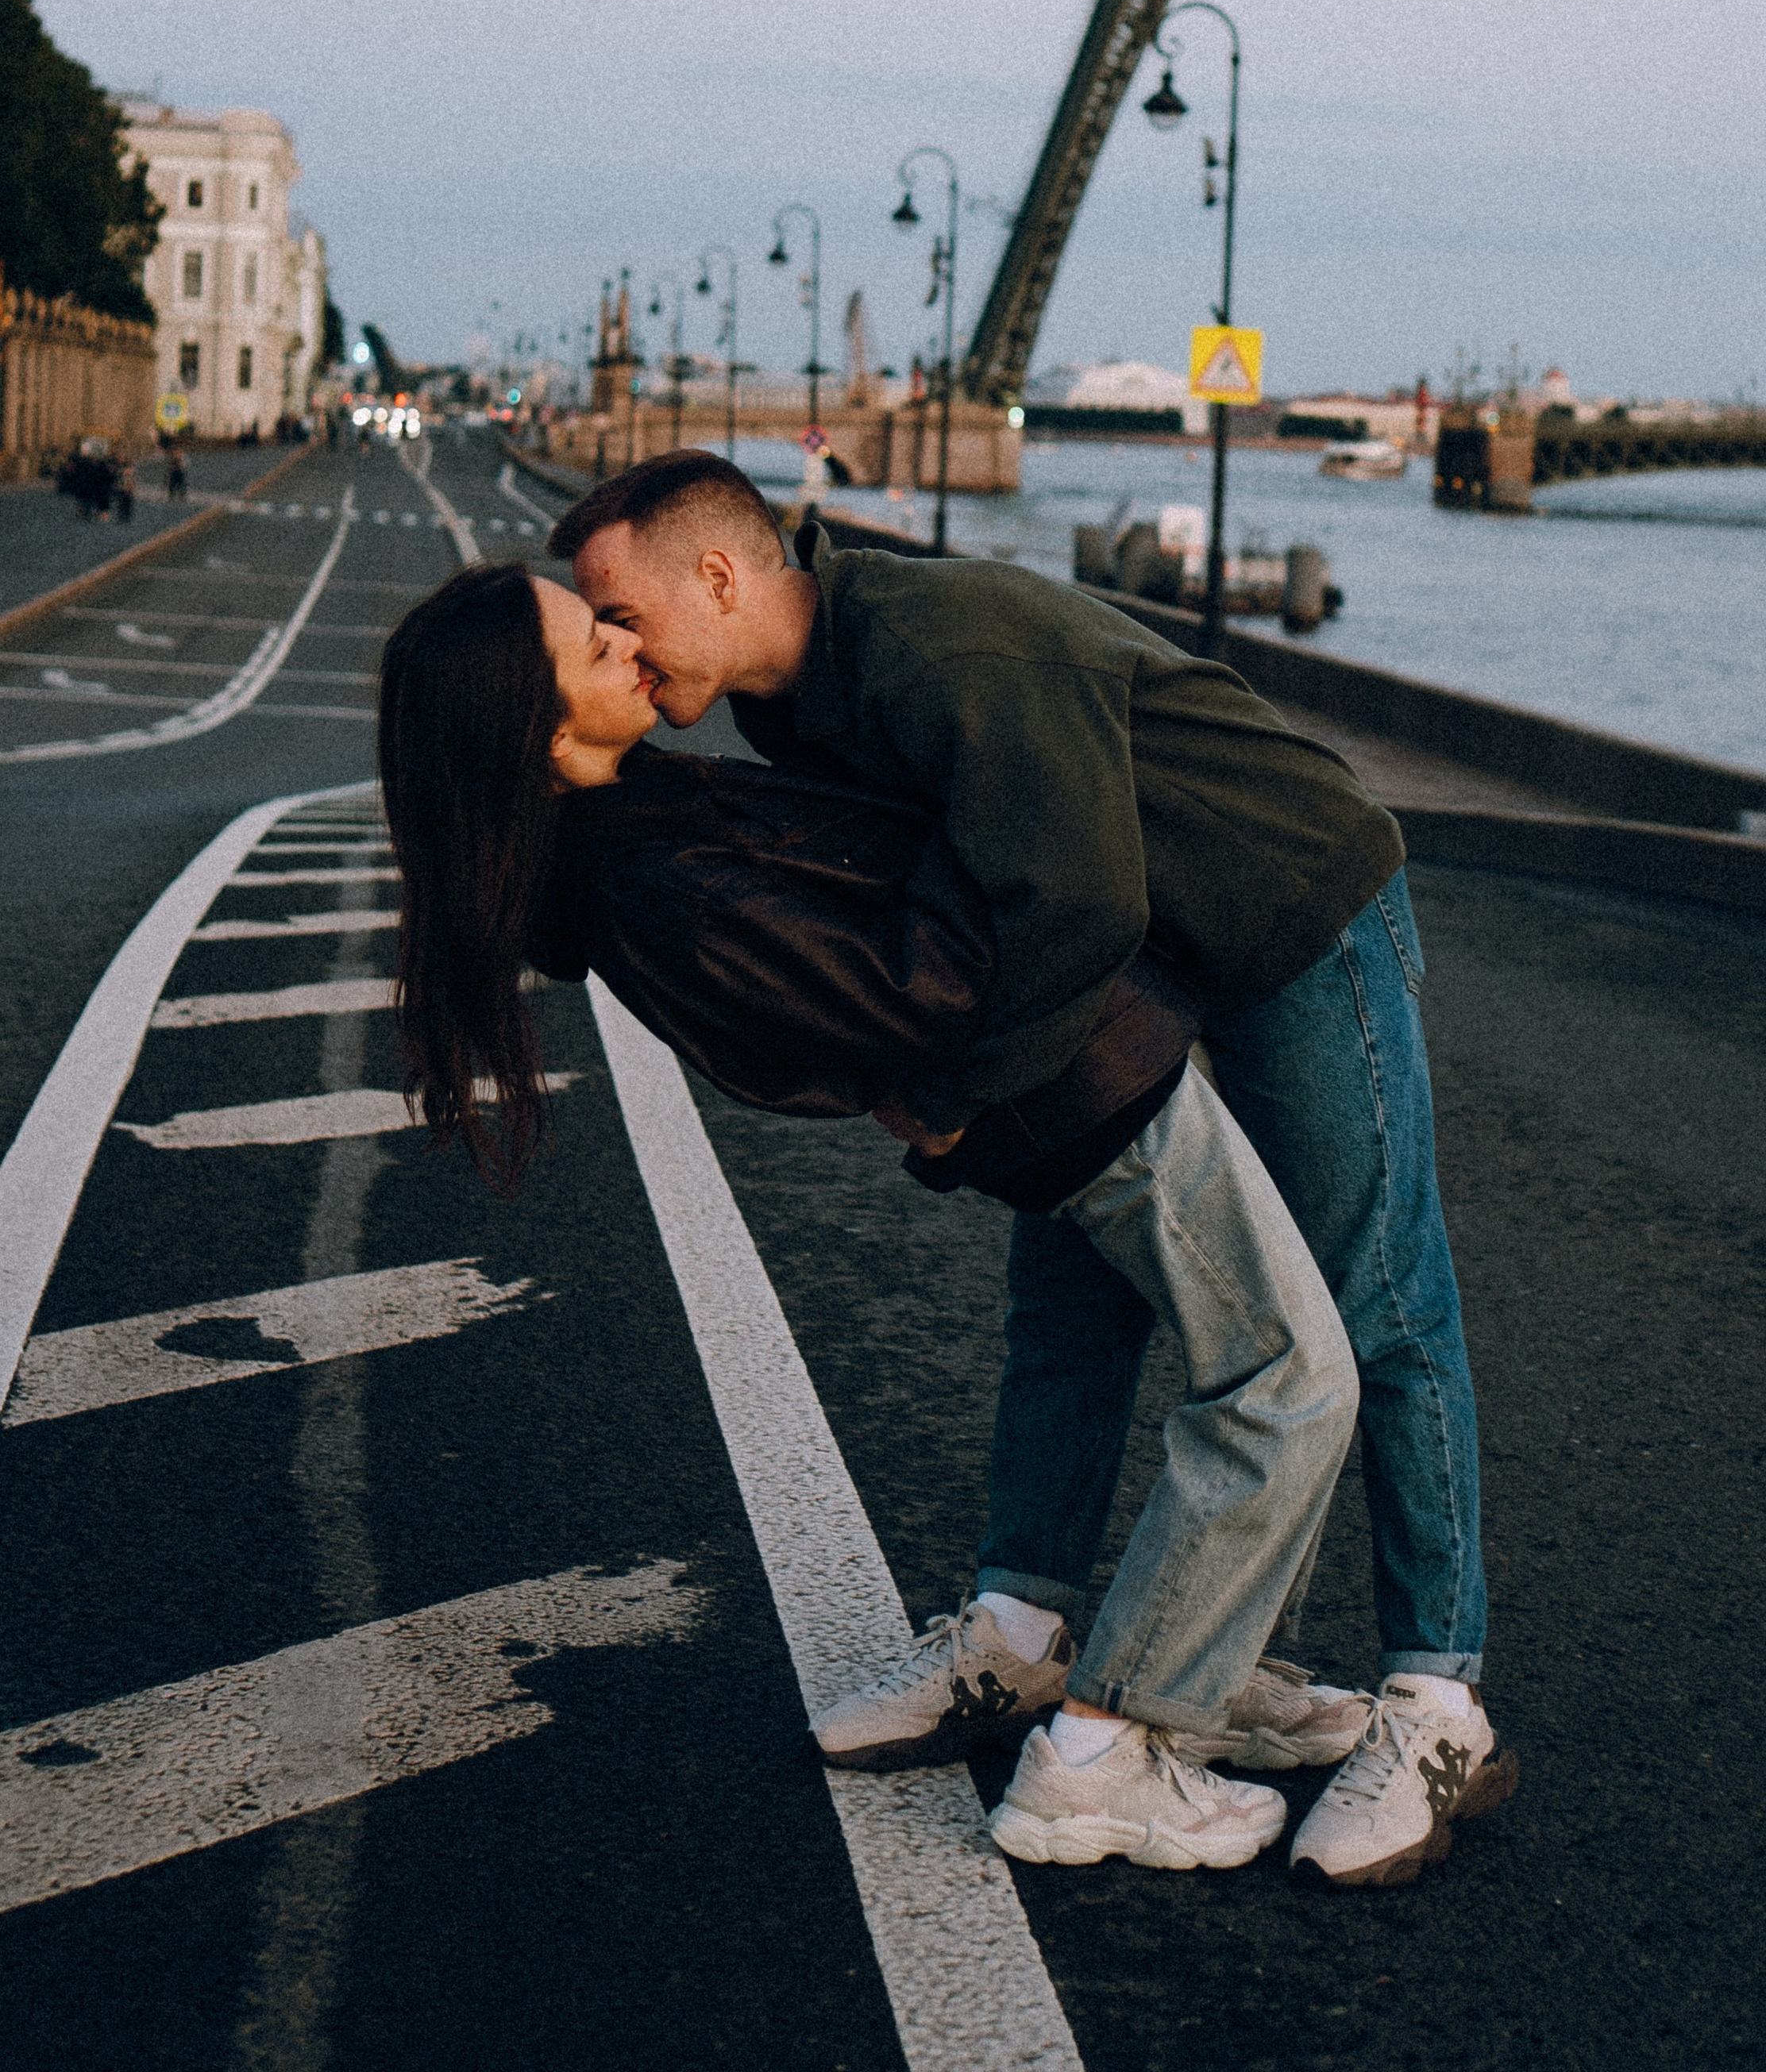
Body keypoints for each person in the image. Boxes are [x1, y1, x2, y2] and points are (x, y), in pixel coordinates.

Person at [555, 451, 1519, 1889]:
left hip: (1285, 908)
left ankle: (1436, 1694)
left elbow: (1069, 903)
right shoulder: (793, 703)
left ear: (718, 575)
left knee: (1372, 1295)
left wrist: (944, 1101)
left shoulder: (941, 649)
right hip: (1131, 974)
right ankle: (1026, 1636)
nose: (618, 651)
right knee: (1067, 1316)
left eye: (620, 613)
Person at [377, 561, 1367, 1874]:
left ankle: (1197, 1662)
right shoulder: (652, 881)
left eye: (611, 614)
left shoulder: (640, 834)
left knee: (1195, 1366)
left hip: (1070, 1079)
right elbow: (912, 993)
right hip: (1079, 1089)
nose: (627, 643)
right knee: (1286, 1384)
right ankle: (1105, 1750)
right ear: (550, 737)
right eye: (593, 647)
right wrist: (1010, 815)